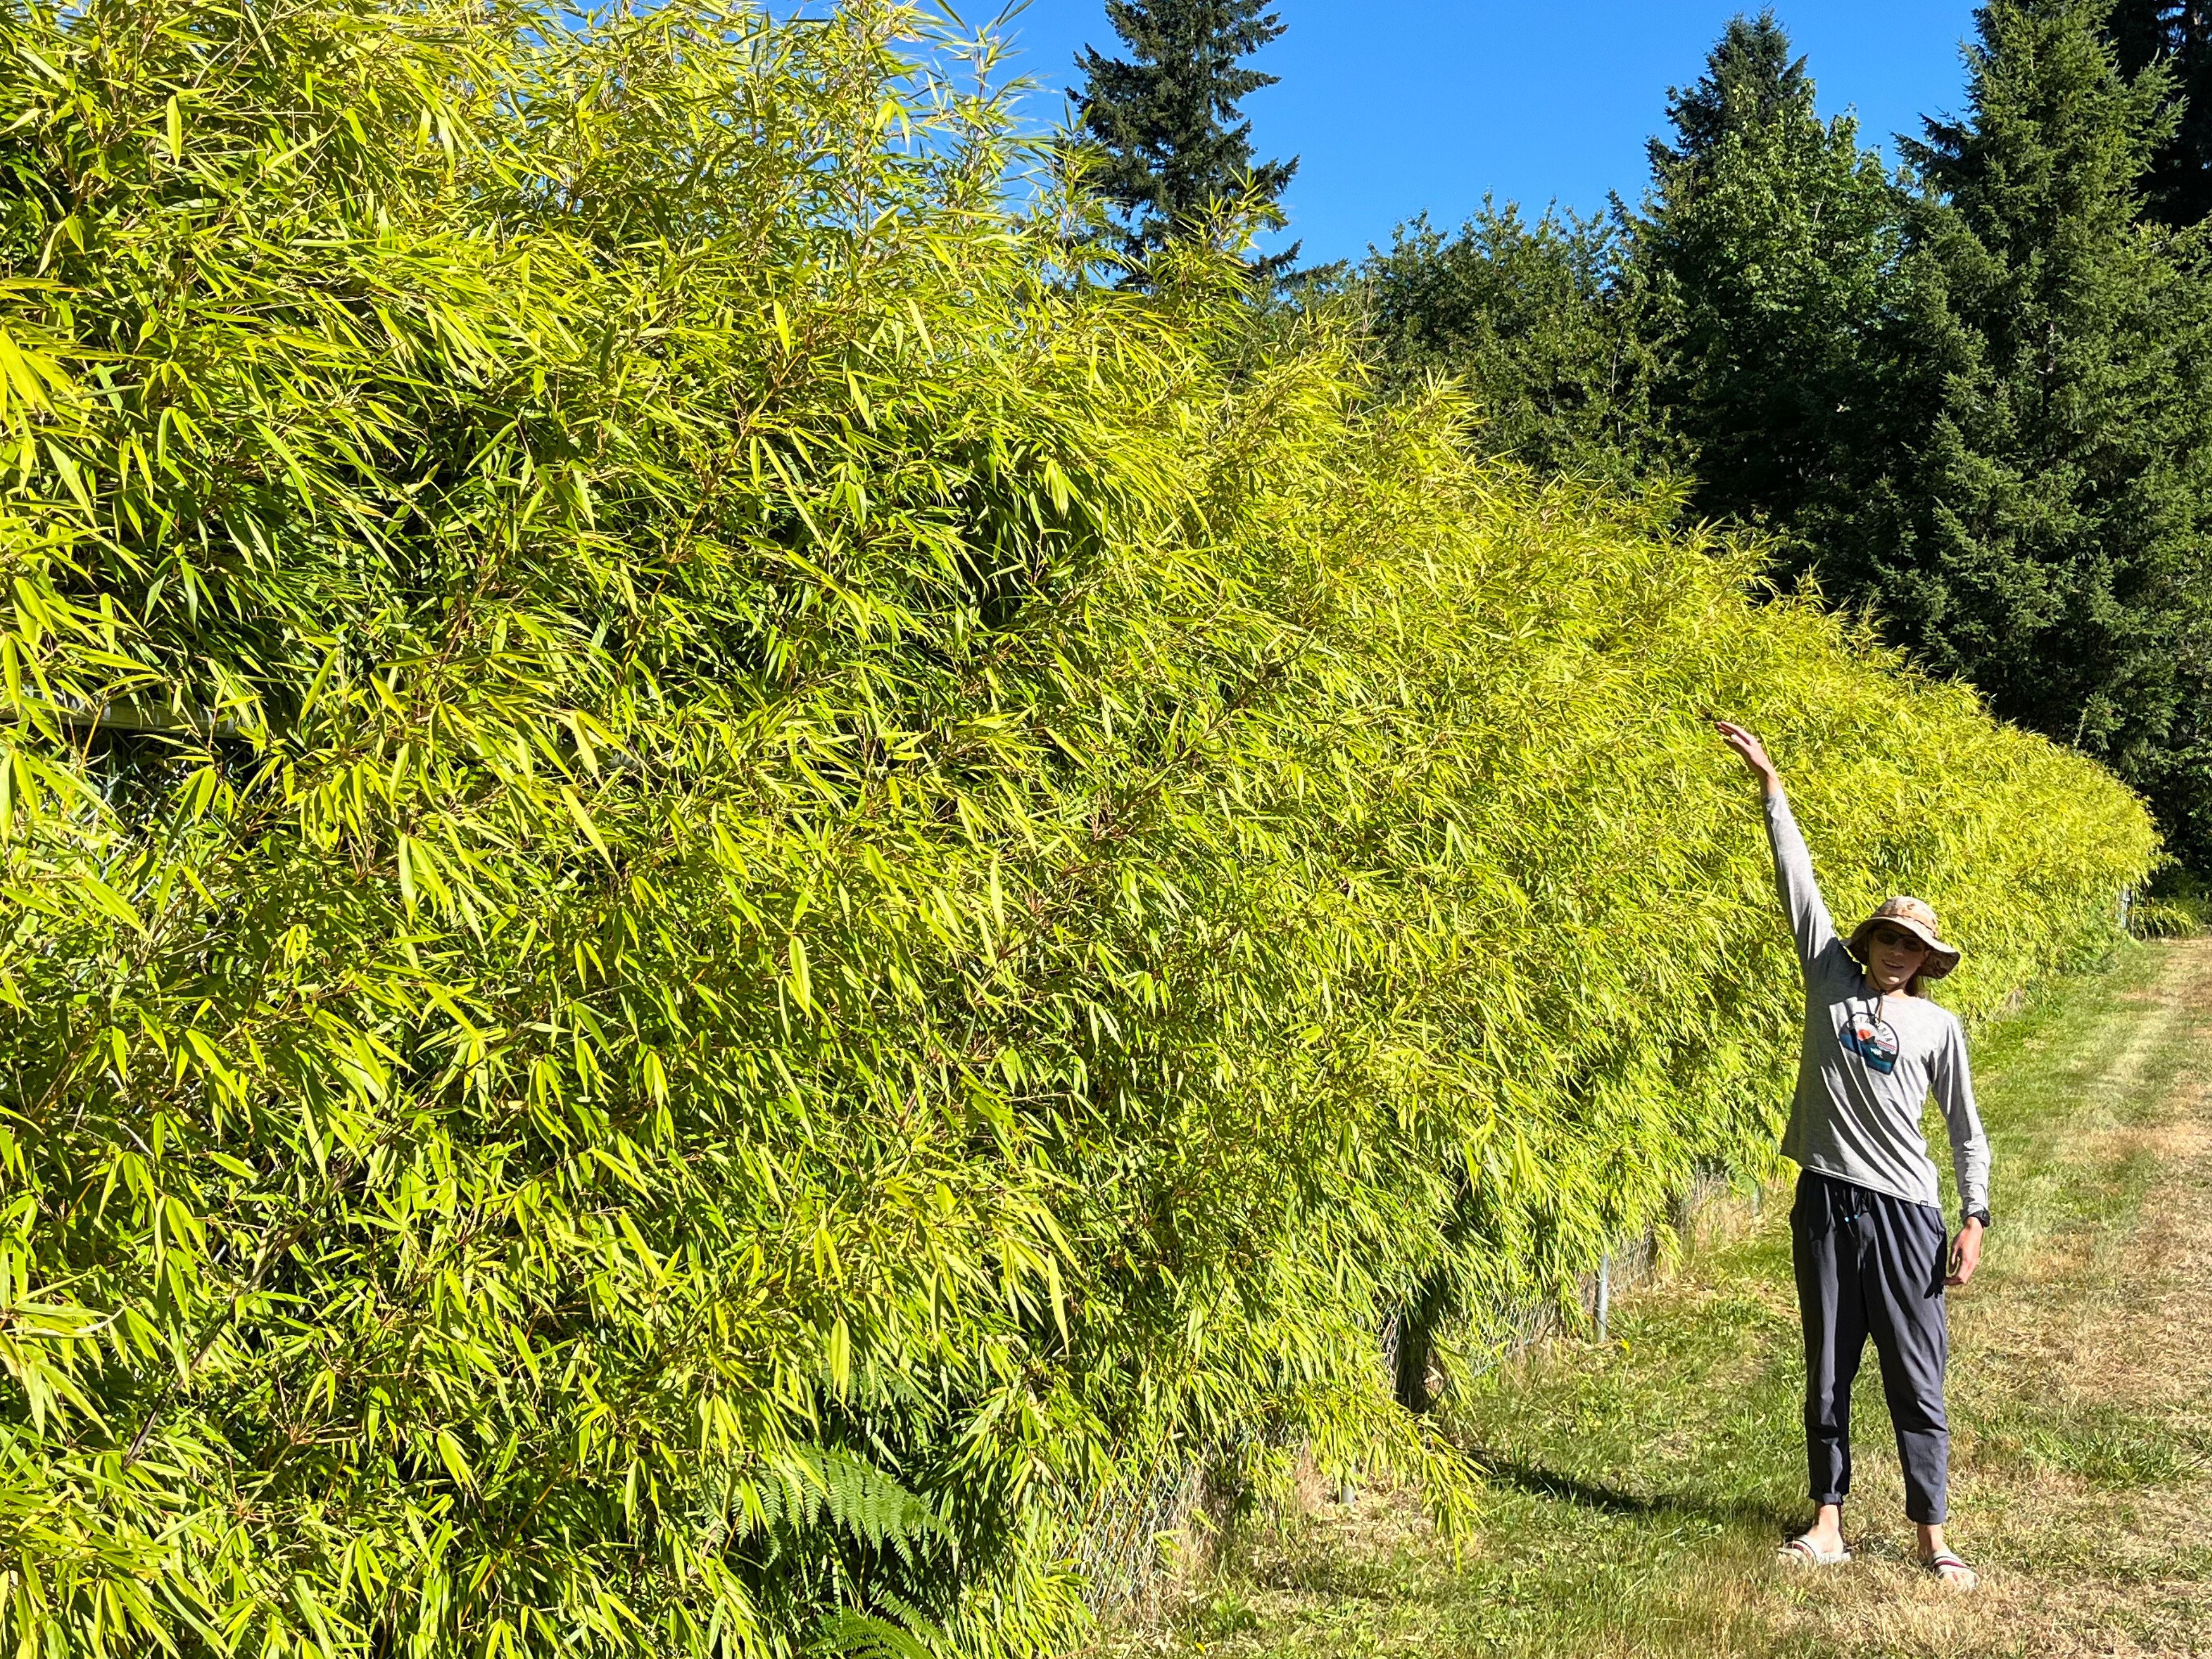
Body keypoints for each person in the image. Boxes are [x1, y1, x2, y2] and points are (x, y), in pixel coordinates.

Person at [1717, 720, 1990, 1590]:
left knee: (1917, 1376)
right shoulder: (1829, 981)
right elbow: (1797, 885)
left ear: (1926, 962)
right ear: (1866, 944)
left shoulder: (1937, 1027)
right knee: (1828, 1367)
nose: (1895, 956)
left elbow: (1965, 1128)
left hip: (1908, 1214)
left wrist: (1974, 1216)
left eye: (1911, 948)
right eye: (1885, 940)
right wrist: (1771, 787)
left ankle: (1931, 1534)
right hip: (1828, 1200)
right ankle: (1827, 1521)